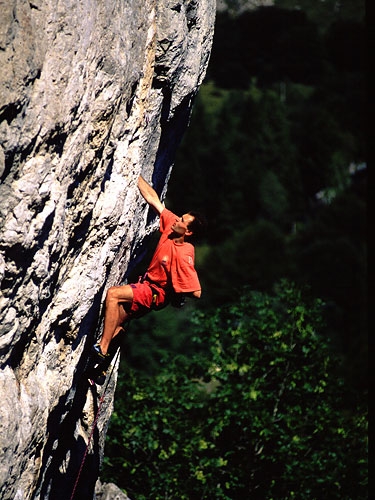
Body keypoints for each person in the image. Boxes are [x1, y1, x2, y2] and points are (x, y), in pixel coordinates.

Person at [90, 174, 206, 370]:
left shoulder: (185, 253)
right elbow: (154, 200)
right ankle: (101, 368)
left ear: (188, 232)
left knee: (113, 295)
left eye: (183, 220)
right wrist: (134, 174)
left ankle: (102, 349)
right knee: (115, 320)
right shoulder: (171, 227)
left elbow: (196, 292)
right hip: (146, 287)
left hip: (154, 293)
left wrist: (176, 291)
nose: (178, 219)